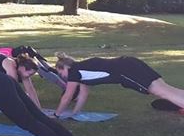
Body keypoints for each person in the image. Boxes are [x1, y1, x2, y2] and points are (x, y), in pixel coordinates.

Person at [53, 53, 184, 115]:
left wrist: (56, 115)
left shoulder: (74, 72)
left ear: (64, 67)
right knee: (166, 89)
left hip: (126, 70)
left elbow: (67, 97)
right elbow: (83, 95)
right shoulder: (81, 71)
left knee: (162, 92)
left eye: (61, 73)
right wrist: (75, 113)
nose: (62, 77)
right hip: (130, 63)